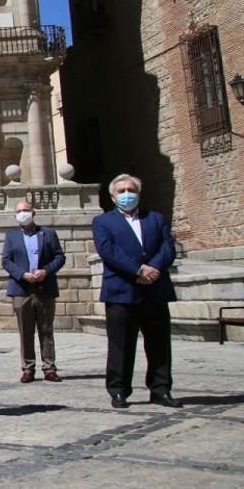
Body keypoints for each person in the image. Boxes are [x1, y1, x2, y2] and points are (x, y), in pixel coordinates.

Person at [92, 174, 181, 409]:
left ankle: (161, 389)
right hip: (122, 290)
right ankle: (119, 391)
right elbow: (108, 251)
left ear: (139, 193)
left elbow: (167, 247)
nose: (126, 194)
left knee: (159, 343)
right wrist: (138, 270)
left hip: (155, 288)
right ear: (113, 197)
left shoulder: (156, 218)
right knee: (121, 344)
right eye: (121, 191)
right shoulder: (103, 222)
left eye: (131, 189)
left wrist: (153, 268)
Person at [0, 200, 66, 383]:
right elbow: (6, 261)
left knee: (46, 330)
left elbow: (60, 257)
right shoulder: (11, 236)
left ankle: (49, 368)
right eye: (19, 211)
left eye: (26, 210)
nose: (23, 213)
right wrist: (22, 275)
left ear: (33, 212)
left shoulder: (49, 234)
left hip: (44, 288)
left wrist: (46, 271)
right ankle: (28, 368)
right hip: (21, 290)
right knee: (25, 332)